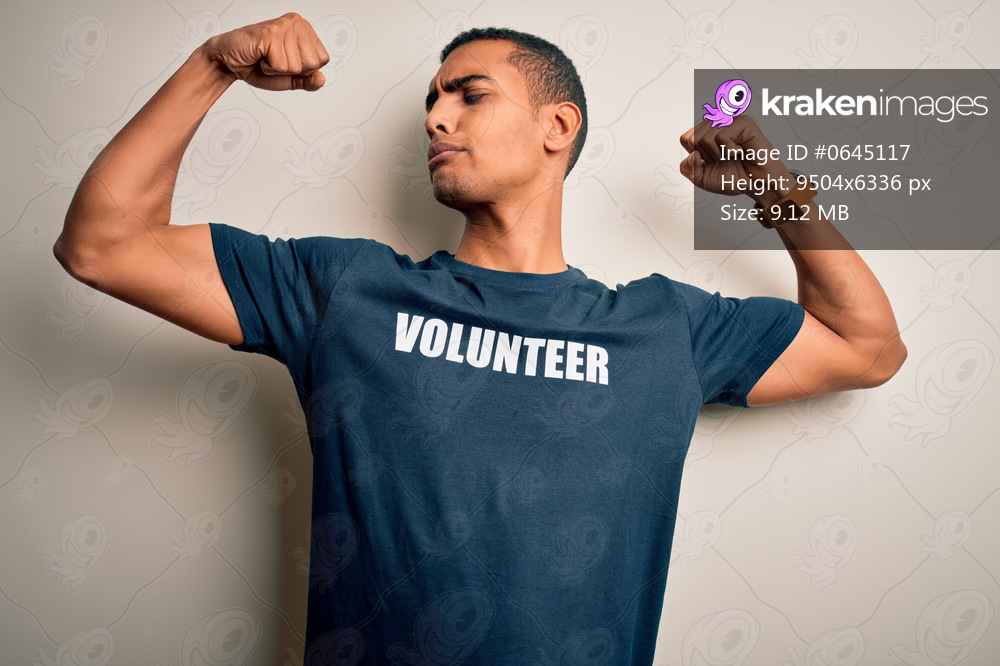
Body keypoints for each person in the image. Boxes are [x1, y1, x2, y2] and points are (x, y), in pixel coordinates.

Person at [54, 13, 906, 665]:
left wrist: (776, 190)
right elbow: (102, 244)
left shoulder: (662, 328)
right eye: (432, 100)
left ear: (556, 127)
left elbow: (868, 347)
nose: (436, 118)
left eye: (470, 94)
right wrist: (214, 64)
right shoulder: (346, 291)